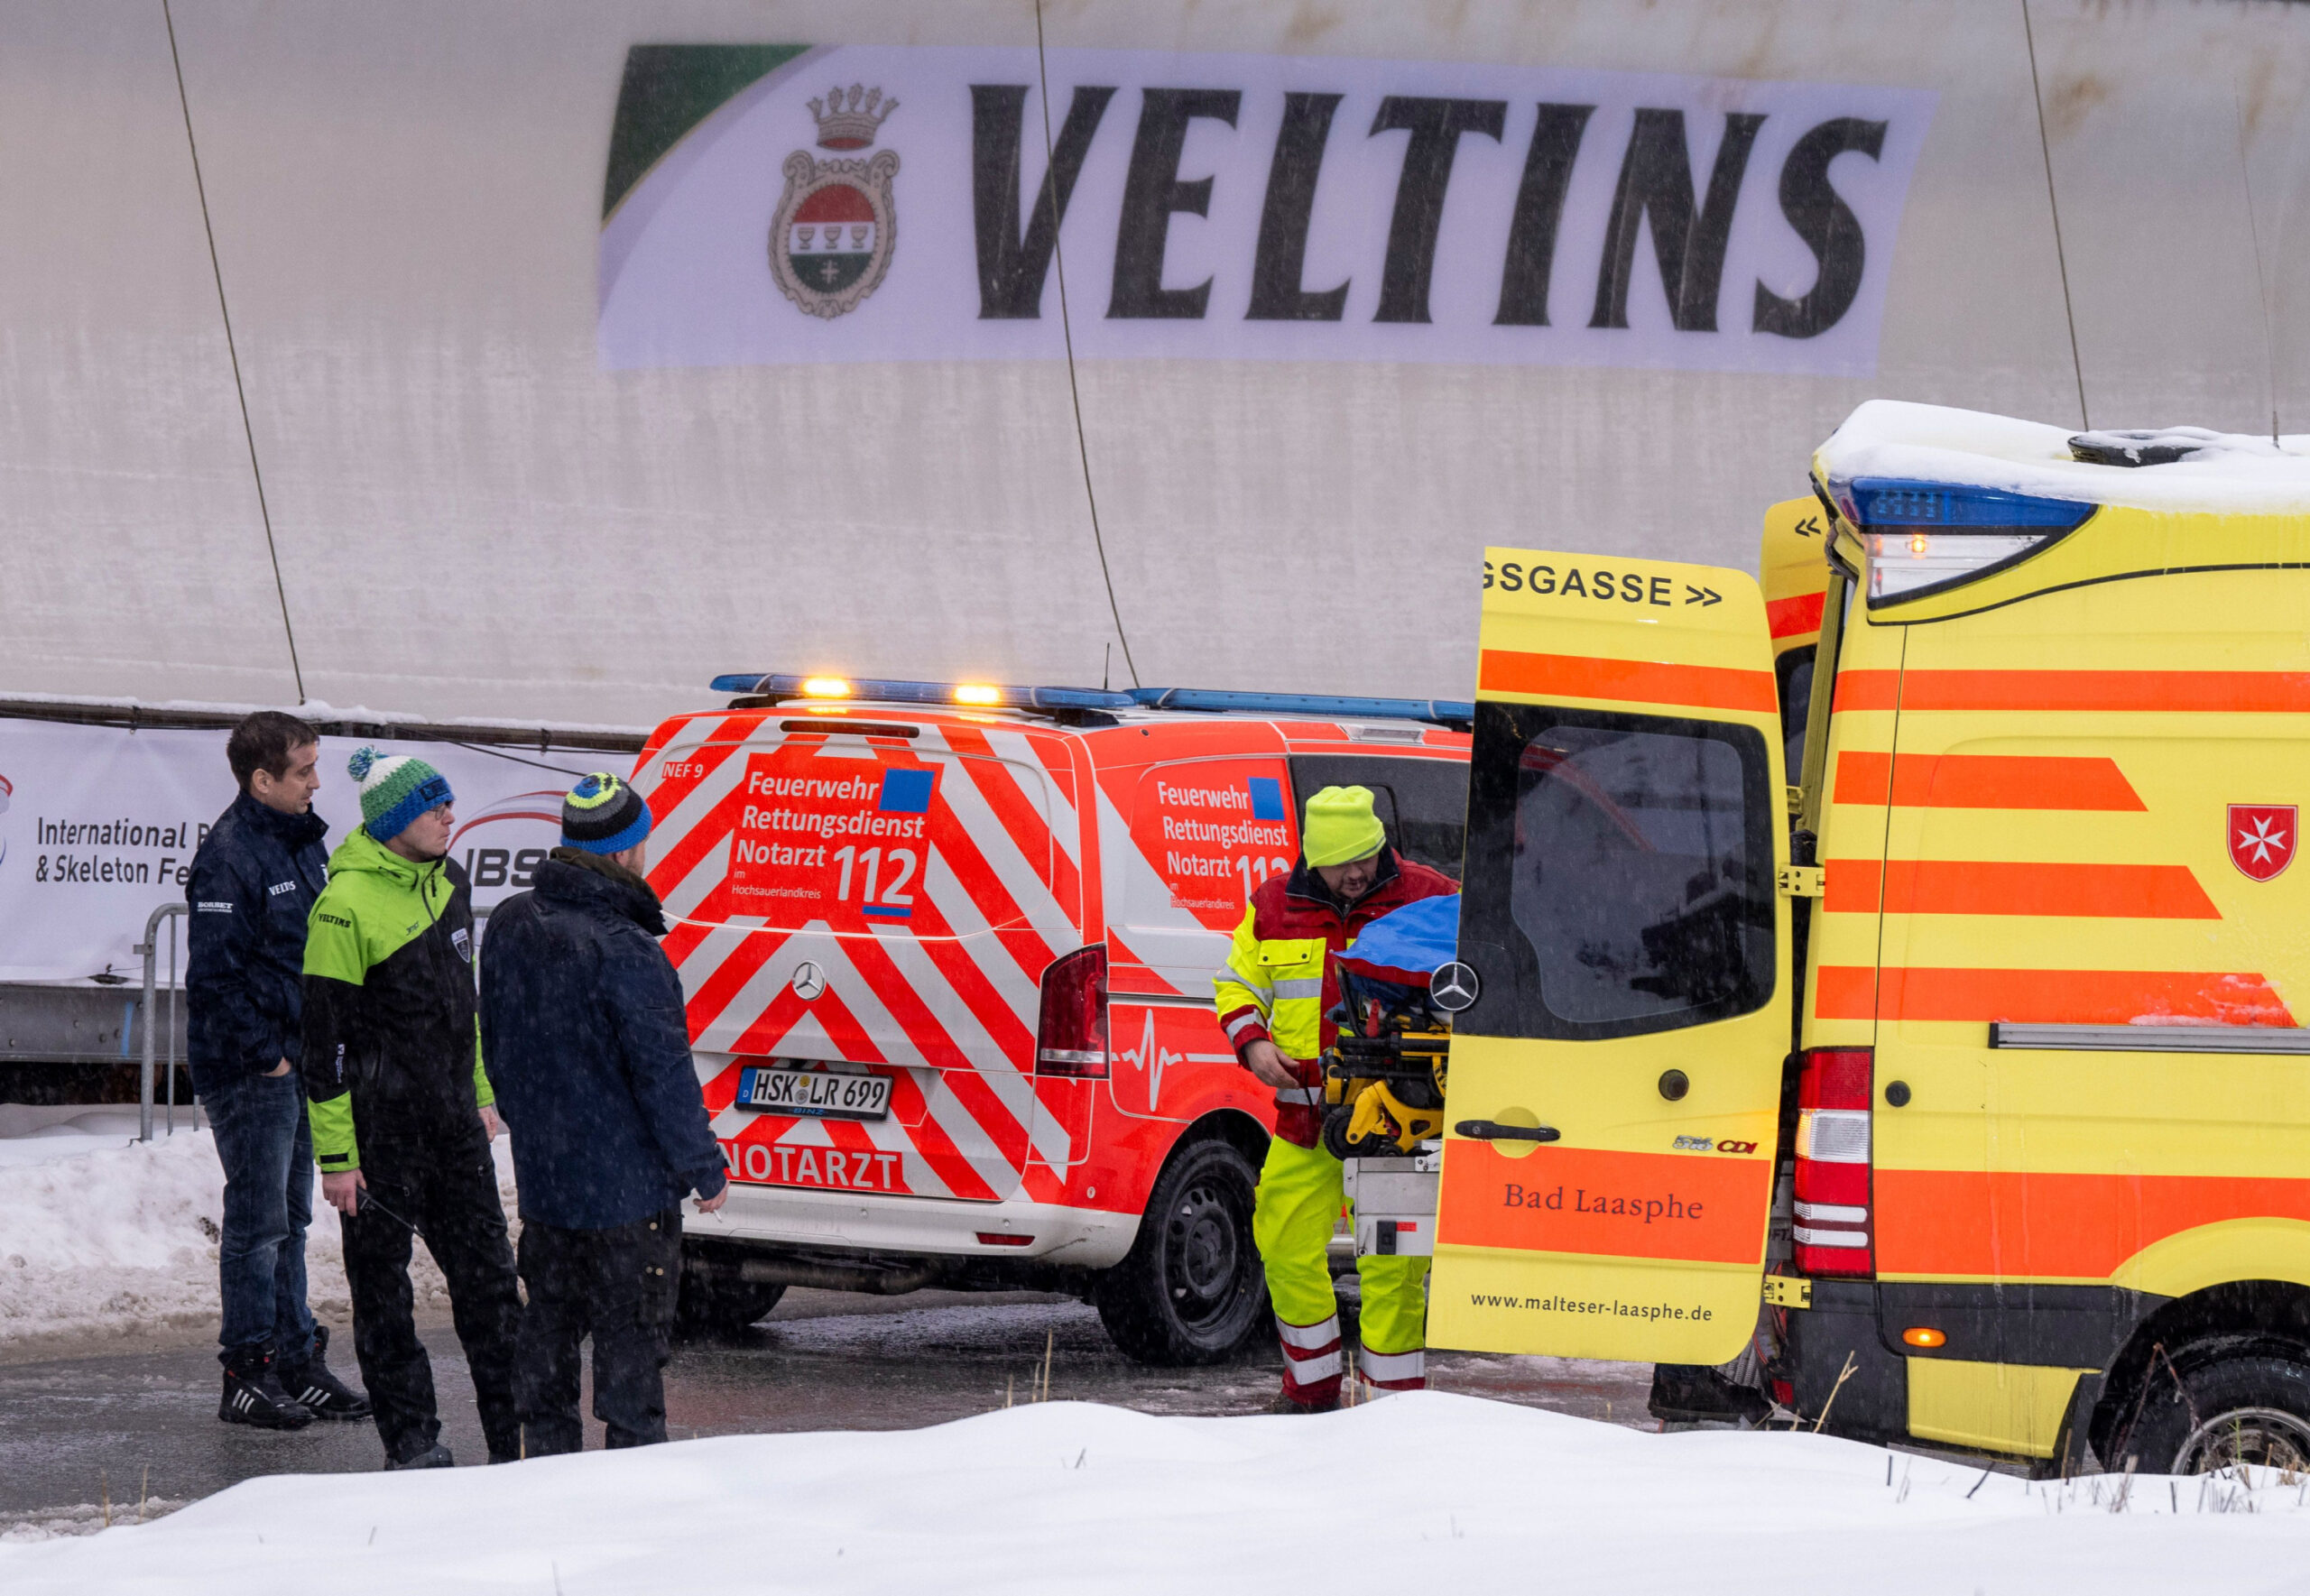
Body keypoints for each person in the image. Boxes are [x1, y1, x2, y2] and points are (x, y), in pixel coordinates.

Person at [478, 772, 731, 1456]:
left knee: (549, 1357)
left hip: (550, 1189)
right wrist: (704, 1167)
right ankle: (626, 1516)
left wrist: (540, 1132)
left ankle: (544, 1489)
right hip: (628, 1202)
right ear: (625, 852)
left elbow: (497, 1047)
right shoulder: (628, 947)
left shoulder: (509, 924)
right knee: (630, 1377)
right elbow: (664, 1075)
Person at [301, 746, 522, 1470]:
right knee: (386, 1301)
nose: (450, 816)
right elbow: (323, 1043)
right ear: (394, 820)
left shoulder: (451, 880)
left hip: (454, 1128)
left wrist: (482, 1092)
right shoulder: (343, 907)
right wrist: (338, 1156)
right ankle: (414, 1444)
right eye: (435, 808)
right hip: (379, 1141)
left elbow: (469, 1007)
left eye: (449, 803)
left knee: (491, 1288)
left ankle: (517, 1443)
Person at [1215, 785, 1456, 1412]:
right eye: (1342, 862)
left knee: (1392, 1264)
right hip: (1304, 1115)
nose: (1357, 873)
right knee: (1283, 1242)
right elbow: (1239, 981)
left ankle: (1396, 1402)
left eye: (1367, 857)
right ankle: (1312, 1390)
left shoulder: (1431, 896)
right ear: (1311, 860)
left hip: (1399, 1120)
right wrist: (1252, 1042)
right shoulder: (1272, 904)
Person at [185, 711, 368, 1429]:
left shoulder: (299, 842)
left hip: (295, 1063)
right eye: (303, 771)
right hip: (250, 1070)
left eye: (317, 766)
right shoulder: (231, 854)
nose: (317, 782)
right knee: (259, 1224)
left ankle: (296, 1358)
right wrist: (270, 1056)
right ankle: (248, 1370)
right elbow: (216, 981)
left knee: (292, 1218)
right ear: (261, 779)